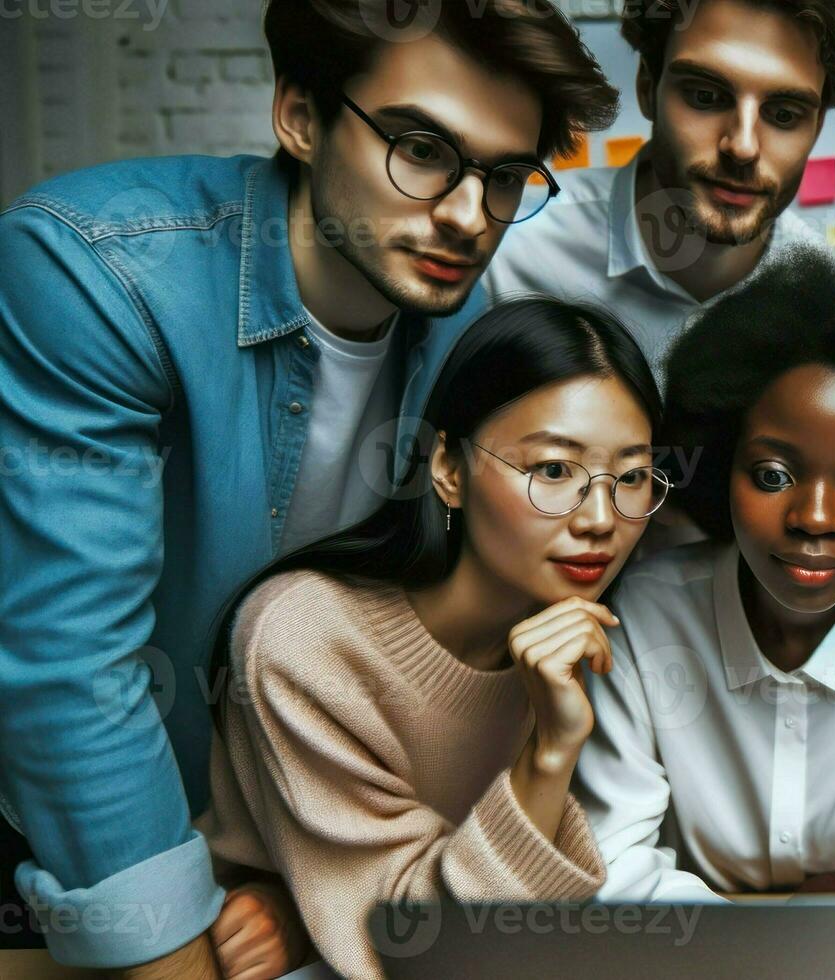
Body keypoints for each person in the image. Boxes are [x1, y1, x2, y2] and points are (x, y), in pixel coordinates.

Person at [0, 0, 618, 972]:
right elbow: (68, 669)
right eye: (420, 149)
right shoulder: (100, 269)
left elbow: (404, 644)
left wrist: (313, 888)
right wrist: (172, 938)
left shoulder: (464, 326)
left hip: (281, 854)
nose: (466, 214)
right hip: (77, 842)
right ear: (298, 113)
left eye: (503, 177)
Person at [195, 298, 668, 979]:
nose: (601, 519)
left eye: (630, 477)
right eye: (554, 471)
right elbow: (425, 949)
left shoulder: (600, 624)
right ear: (447, 468)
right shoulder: (305, 640)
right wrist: (550, 751)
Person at [574, 250, 835, 899]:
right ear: (718, 467)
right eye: (773, 476)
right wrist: (777, 938)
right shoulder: (646, 616)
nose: (815, 518)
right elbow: (614, 867)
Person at [483, 0, 835, 381]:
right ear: (646, 87)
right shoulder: (508, 254)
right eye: (705, 96)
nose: (742, 146)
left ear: (818, 126)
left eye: (785, 115)